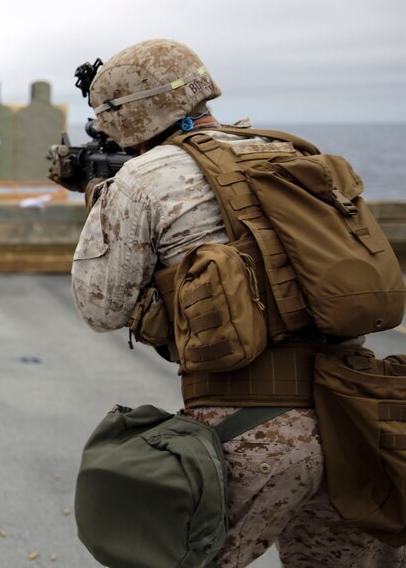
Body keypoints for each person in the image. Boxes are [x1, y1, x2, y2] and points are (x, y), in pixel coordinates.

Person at [68, 39, 404, 567]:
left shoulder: (141, 179)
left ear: (126, 112)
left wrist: (108, 215)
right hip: (359, 418)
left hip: (254, 430)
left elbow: (100, 310)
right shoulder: (293, 154)